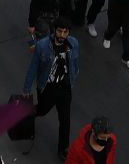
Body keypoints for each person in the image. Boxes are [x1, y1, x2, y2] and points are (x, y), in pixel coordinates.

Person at [23, 22, 80, 158]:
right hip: (47, 87)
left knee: (65, 120)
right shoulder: (43, 45)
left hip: (65, 88)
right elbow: (33, 67)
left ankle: (63, 150)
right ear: (55, 31)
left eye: (65, 32)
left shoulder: (73, 43)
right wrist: (26, 88)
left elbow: (75, 62)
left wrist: (74, 74)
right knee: (42, 110)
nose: (62, 35)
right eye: (60, 31)